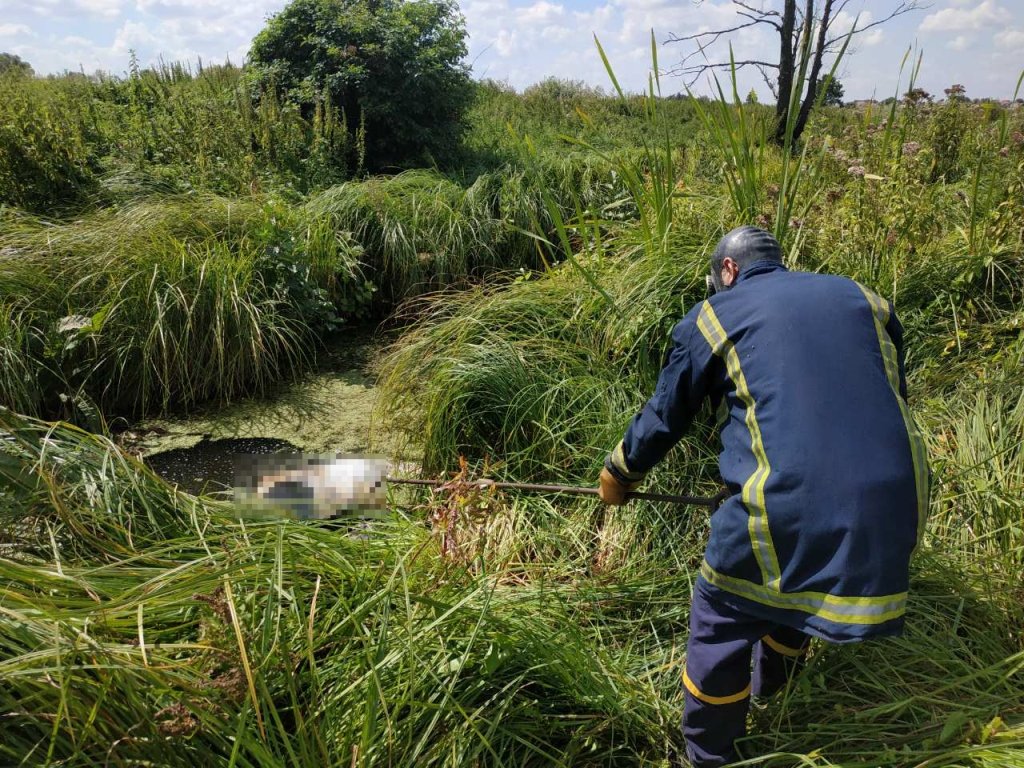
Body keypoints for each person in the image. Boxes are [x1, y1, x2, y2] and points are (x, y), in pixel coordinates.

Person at [597, 226, 929, 767]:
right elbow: (885, 389)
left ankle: (707, 755)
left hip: (793, 505)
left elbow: (665, 416)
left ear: (727, 271)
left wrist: (619, 474)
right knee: (795, 584)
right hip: (902, 496)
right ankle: (774, 689)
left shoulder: (715, 314)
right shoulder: (863, 298)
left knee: (721, 611)